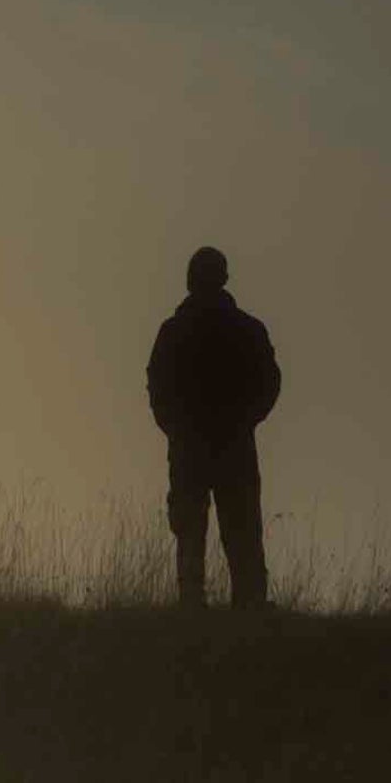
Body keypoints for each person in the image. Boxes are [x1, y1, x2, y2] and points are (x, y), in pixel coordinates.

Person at [146, 246, 281, 609]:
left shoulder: (174, 331)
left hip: (193, 445)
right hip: (230, 444)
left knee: (191, 530)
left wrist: (177, 429)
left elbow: (157, 387)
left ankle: (193, 605)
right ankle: (249, 607)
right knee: (240, 531)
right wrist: (243, 421)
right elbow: (269, 384)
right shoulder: (247, 329)